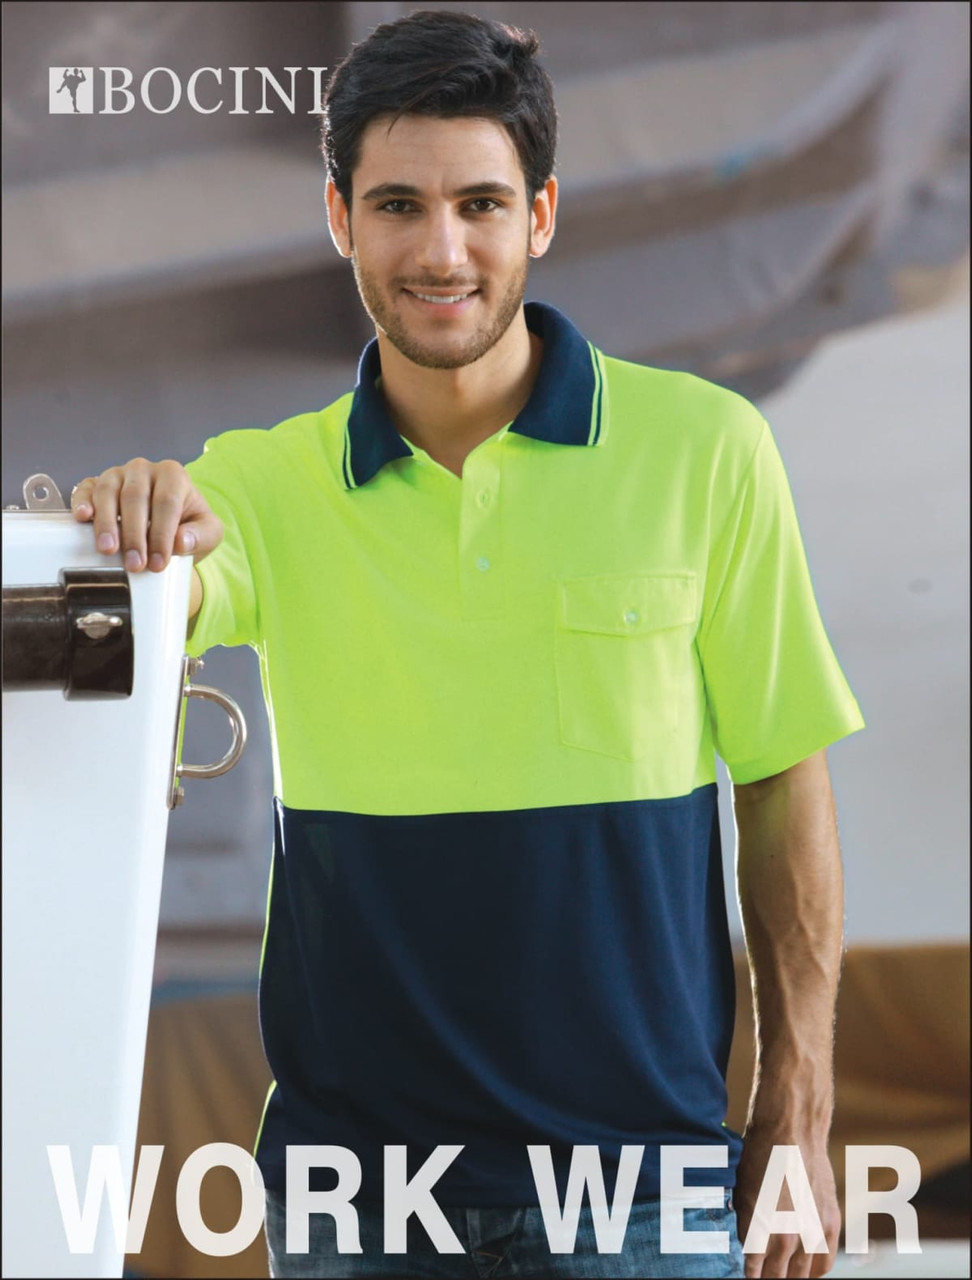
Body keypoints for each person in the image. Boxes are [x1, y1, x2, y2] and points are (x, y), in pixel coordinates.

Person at [71, 11, 864, 1278]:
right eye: (397, 204)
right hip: (360, 1198)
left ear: (540, 216)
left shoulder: (706, 452)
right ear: (340, 218)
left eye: (481, 203)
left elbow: (781, 778)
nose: (442, 249)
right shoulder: (262, 485)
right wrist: (105, 531)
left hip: (644, 1190)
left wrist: (800, 1105)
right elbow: (77, 648)